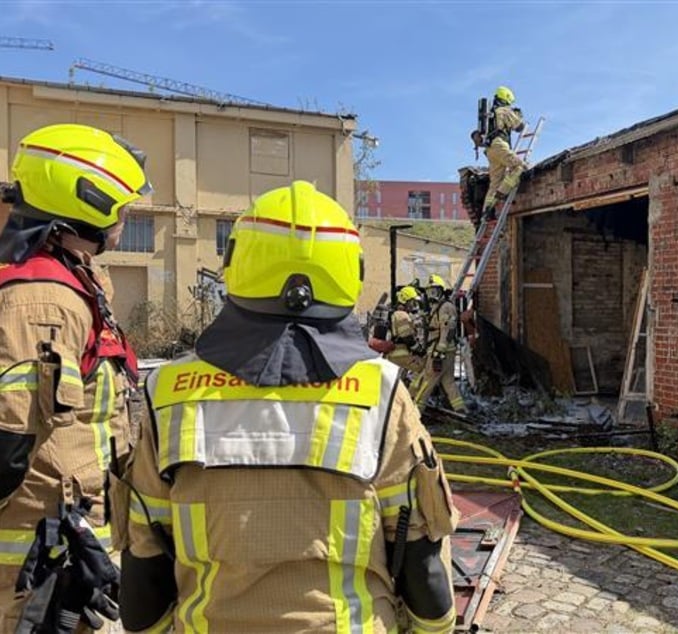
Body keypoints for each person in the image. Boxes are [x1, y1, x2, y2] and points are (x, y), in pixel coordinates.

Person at [119, 181, 459, 633]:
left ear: (235, 261)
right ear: (350, 271)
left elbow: (144, 563)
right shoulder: (381, 391)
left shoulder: (167, 391)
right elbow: (422, 557)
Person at [0, 124, 151, 632]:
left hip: (61, 539)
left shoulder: (70, 280)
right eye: (120, 207)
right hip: (32, 558)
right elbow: (7, 441)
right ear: (87, 202)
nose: (124, 219)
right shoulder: (42, 297)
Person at [411, 275, 467, 413]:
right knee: (448, 382)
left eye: (435, 291)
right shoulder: (438, 307)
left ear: (441, 291)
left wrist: (439, 351)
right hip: (447, 351)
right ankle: (460, 409)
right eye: (430, 291)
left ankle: (416, 411)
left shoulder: (445, 307)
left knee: (428, 380)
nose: (432, 295)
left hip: (440, 350)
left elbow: (447, 329)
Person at [481, 85, 527, 221]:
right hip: (500, 145)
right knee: (520, 167)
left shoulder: (491, 113)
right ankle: (502, 193)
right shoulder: (504, 110)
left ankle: (486, 211)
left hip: (490, 150)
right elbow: (519, 127)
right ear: (507, 98)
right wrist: (518, 114)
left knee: (495, 182)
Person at [385, 285, 426, 377]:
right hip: (401, 355)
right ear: (404, 301)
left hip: (396, 355)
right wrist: (420, 350)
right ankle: (414, 391)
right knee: (424, 368)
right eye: (411, 303)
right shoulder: (401, 315)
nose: (413, 306)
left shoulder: (397, 314)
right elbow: (407, 337)